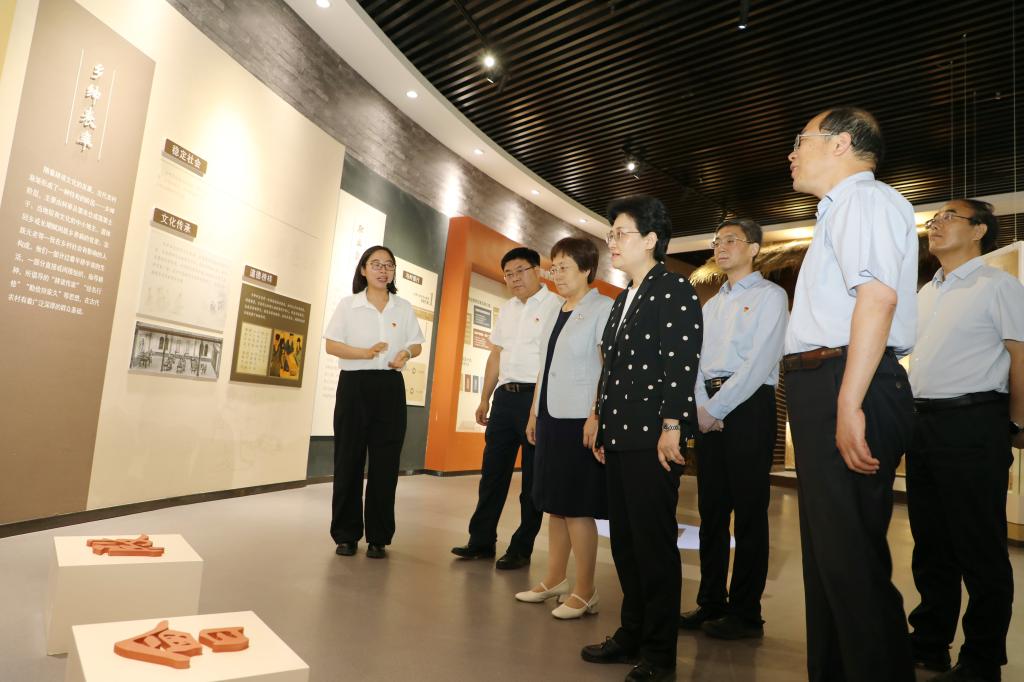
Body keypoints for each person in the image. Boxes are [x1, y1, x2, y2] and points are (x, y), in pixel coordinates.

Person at [783, 107, 918, 681]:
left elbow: (878, 299)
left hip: (847, 378)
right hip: (830, 379)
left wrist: (848, 401)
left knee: (850, 561)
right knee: (828, 560)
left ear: (840, 144)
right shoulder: (839, 211)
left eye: (801, 140)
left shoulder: (864, 200)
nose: (791, 153)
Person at [581, 196, 702, 682]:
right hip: (620, 434)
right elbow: (610, 367)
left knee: (653, 547)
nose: (612, 241)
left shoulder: (673, 288)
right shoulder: (623, 297)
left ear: (651, 239)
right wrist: (599, 417)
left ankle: (659, 653)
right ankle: (631, 632)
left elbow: (681, 361)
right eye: (610, 233)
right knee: (627, 544)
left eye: (621, 233)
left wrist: (673, 425)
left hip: (652, 436)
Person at [906, 199, 1024, 682]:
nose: (935, 225)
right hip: (923, 424)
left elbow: (1020, 355)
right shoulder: (925, 292)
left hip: (974, 421)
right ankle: (929, 642)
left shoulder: (998, 285)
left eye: (948, 217)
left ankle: (982, 658)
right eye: (932, 220)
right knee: (930, 544)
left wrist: (1017, 424)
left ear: (979, 231)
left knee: (979, 545)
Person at [678, 218, 788, 640]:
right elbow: (696, 363)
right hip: (709, 406)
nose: (720, 247)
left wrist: (717, 406)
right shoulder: (710, 305)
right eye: (716, 241)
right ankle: (711, 602)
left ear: (754, 248)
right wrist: (702, 407)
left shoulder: (771, 297)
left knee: (749, 513)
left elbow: (760, 362)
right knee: (711, 511)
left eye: (730, 240)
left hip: (749, 406)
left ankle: (746, 613)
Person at [515, 237, 613, 619]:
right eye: (553, 267)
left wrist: (597, 414)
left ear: (587, 269)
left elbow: (608, 367)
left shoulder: (603, 308)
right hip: (551, 416)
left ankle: (586, 591)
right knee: (554, 504)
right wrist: (534, 413)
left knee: (577, 507)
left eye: (564, 267)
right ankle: (554, 579)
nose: (556, 274)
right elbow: (545, 366)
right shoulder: (556, 309)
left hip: (579, 419)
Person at [451, 247, 563, 569]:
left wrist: (537, 408)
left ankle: (521, 548)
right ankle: (481, 540)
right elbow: (496, 355)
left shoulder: (555, 305)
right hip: (504, 398)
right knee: (492, 473)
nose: (514, 279)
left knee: (532, 480)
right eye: (508, 274)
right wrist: (484, 397)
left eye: (520, 271)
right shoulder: (508, 309)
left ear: (538, 271)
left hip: (536, 400)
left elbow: (551, 361)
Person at [324, 245, 424, 559]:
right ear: (363, 269)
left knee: (385, 463)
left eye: (389, 265)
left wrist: (405, 353)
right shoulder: (349, 305)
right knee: (348, 460)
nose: (383, 270)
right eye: (376, 264)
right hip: (354, 385)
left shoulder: (402, 307)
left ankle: (379, 537)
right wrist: (364, 353)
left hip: (390, 386)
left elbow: (416, 344)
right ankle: (346, 534)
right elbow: (332, 345)